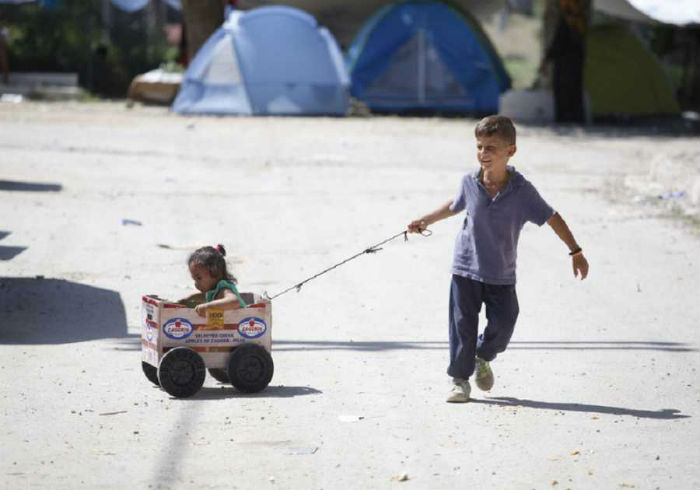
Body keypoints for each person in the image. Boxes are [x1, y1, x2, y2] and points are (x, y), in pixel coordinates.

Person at [407, 115, 589, 403]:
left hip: (501, 274)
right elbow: (455, 206)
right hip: (465, 268)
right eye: (479, 147)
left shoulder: (522, 191)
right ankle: (459, 381)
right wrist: (425, 220)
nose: (483, 154)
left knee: (504, 322)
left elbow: (552, 218)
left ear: (510, 151)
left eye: (491, 148)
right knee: (461, 327)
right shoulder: (469, 181)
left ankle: (484, 355)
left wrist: (575, 251)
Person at [179, 244, 247, 316]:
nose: (196, 284)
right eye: (194, 280)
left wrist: (208, 307)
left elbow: (234, 302)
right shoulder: (213, 291)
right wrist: (188, 299)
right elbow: (204, 296)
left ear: (215, 273)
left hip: (241, 322)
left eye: (199, 278)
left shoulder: (224, 289)